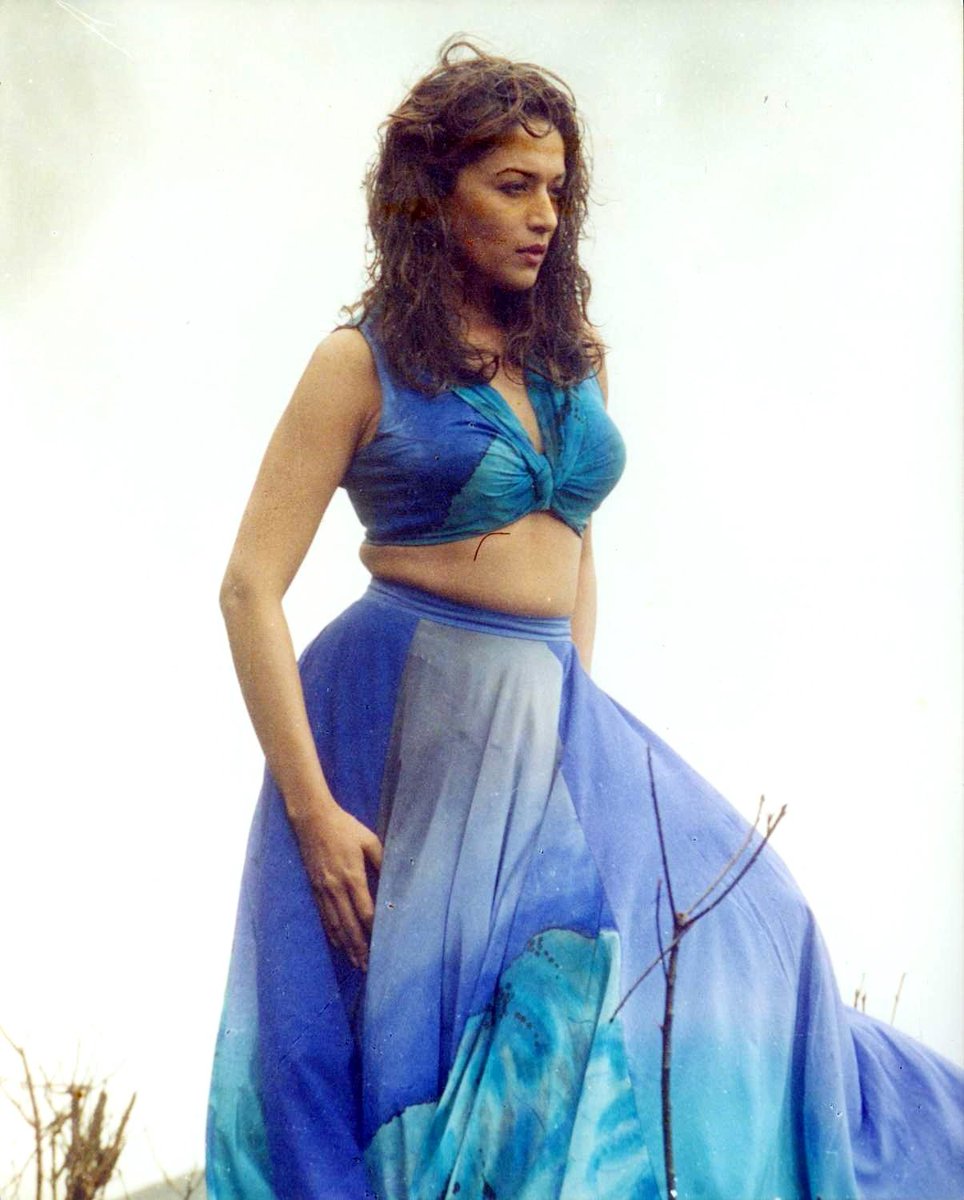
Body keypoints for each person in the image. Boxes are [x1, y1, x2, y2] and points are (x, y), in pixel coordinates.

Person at [205, 40, 963, 1200]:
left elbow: (577, 550)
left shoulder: (572, 362)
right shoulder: (356, 364)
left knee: (762, 931)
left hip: (551, 720)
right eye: (513, 186)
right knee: (435, 1035)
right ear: (433, 196)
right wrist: (313, 812)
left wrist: (570, 719)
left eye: (557, 189)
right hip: (399, 729)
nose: (544, 216)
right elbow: (248, 587)